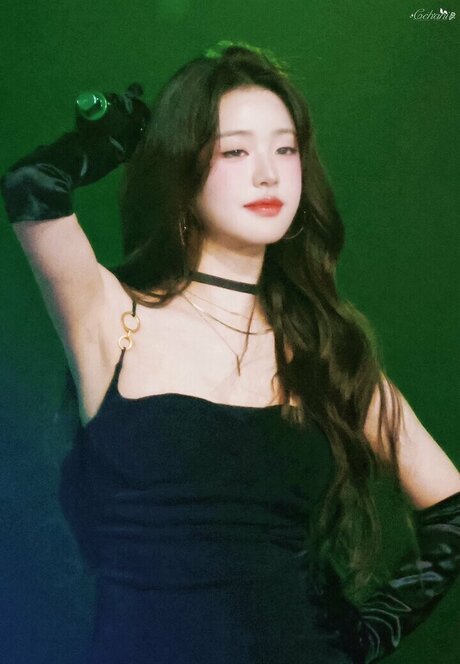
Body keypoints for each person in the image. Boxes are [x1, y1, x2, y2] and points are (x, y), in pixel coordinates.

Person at [2, 42, 459, 664]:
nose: (268, 174)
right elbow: (32, 186)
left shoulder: (325, 350)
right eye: (235, 150)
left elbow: (452, 510)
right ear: (182, 164)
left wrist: (374, 629)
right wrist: (108, 141)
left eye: (286, 149)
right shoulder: (109, 313)